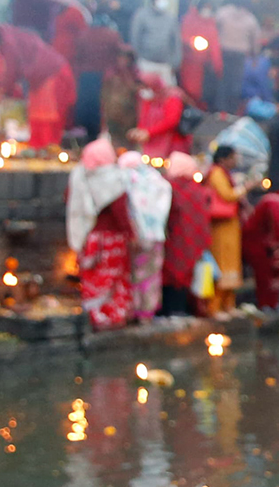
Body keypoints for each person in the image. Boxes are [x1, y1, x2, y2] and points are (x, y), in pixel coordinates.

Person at [66, 138, 134, 330]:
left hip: (90, 237)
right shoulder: (114, 179)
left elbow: (69, 200)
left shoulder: (80, 175)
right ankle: (112, 316)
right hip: (112, 240)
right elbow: (121, 212)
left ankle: (94, 315)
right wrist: (131, 233)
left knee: (92, 278)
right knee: (113, 280)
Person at [0, 24, 75, 150]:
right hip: (42, 78)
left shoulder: (9, 43)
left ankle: (47, 153)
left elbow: (11, 70)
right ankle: (39, 149)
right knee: (37, 117)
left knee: (46, 117)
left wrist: (2, 91)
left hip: (52, 75)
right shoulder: (14, 39)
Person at [119, 150, 172, 319]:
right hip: (156, 235)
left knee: (133, 274)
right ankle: (147, 312)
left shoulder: (126, 179)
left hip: (136, 235)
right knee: (151, 275)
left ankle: (132, 309)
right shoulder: (157, 180)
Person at [160, 151, 209, 317]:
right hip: (190, 240)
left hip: (173, 238)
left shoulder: (167, 186)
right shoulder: (196, 189)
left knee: (169, 273)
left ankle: (168, 309)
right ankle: (182, 309)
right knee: (185, 273)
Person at [241, 184, 279, 311]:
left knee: (270, 274)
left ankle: (272, 304)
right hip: (258, 244)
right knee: (264, 275)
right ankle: (265, 305)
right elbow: (278, 229)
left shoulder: (276, 201)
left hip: (267, 245)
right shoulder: (275, 203)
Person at [205, 145, 244, 315]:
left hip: (230, 224)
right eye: (233, 157)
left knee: (232, 263)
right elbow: (227, 195)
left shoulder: (226, 174)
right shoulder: (216, 173)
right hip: (220, 225)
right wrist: (246, 187)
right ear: (223, 159)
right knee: (222, 262)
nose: (236, 160)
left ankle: (229, 305)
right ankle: (215, 306)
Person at [129, 0, 181, 87]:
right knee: (147, 95)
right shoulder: (141, 15)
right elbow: (135, 38)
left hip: (165, 65)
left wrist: (175, 62)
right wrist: (139, 57)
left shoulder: (171, 18)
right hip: (146, 63)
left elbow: (175, 42)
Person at [214, 0, 260, 112]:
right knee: (236, 82)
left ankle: (220, 108)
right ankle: (232, 109)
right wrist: (255, 56)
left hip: (223, 51)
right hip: (240, 54)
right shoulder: (250, 19)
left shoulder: (223, 13)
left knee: (222, 80)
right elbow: (255, 41)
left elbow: (214, 27)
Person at [130, 72, 190, 158]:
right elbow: (144, 118)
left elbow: (172, 121)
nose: (144, 91)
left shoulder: (172, 97)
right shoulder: (149, 100)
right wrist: (139, 131)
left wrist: (149, 132)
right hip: (152, 146)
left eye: (146, 87)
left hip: (172, 145)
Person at [178, 0, 221, 110]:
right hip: (189, 63)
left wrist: (217, 65)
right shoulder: (189, 19)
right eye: (205, 7)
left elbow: (214, 45)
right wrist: (191, 41)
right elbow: (183, 36)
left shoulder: (211, 23)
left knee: (201, 92)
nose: (206, 11)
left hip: (203, 66)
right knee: (189, 89)